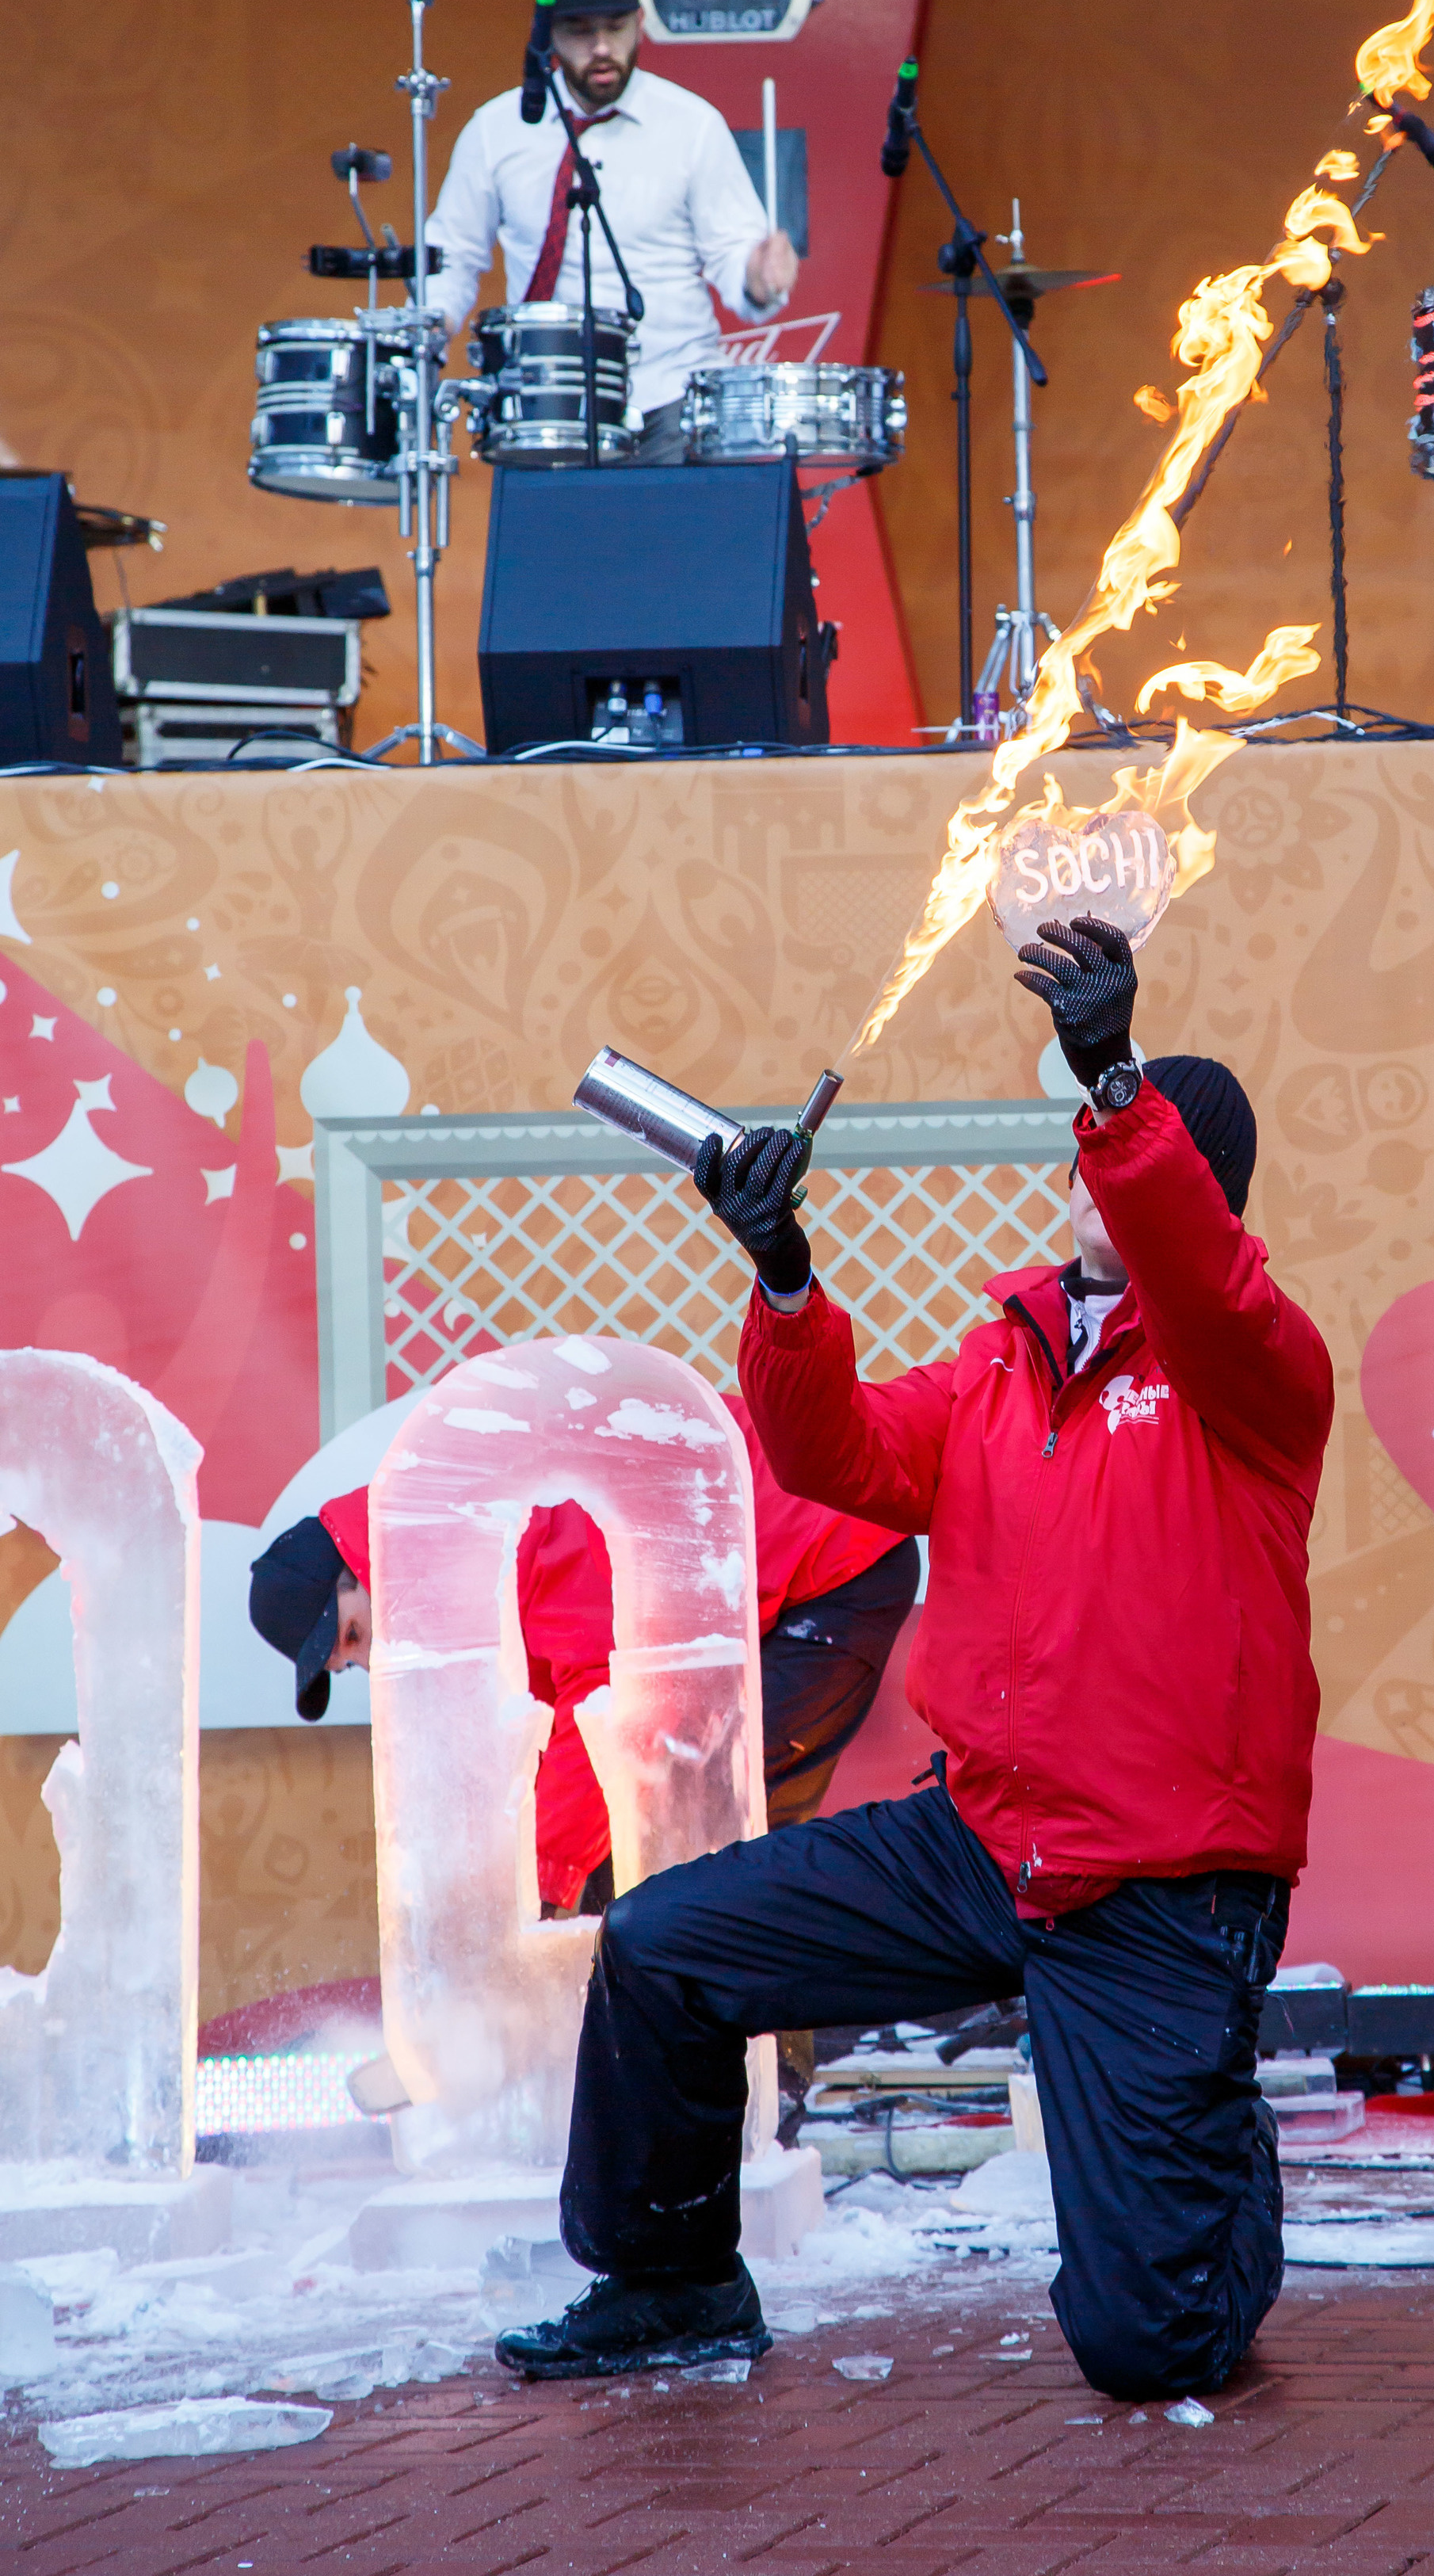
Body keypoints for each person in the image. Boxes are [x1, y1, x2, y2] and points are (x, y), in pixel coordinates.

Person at [495, 917, 1334, 2400]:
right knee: (660, 1949)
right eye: (1084, 1145)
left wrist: (1122, 1082)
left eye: (1125, 1151)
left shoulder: (1253, 1369)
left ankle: (1213, 2147)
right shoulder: (1001, 1361)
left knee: (1151, 2346)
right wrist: (784, 1274)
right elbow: (838, 1456)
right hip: (978, 1842)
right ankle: (673, 2281)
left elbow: (1198, 1278)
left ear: (1199, 1191)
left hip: (1162, 1885)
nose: (1093, 1172)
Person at [247, 1402, 917, 1914]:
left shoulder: (484, 1535)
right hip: (774, 1572)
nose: (378, 1662)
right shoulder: (446, 1532)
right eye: (353, 1665)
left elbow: (608, 1696)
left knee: (716, 1820)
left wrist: (538, 1890)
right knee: (668, 1833)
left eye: (359, 1637)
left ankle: (763, 2070)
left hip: (833, 1554)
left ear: (359, 1572)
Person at [427, 0, 800, 461]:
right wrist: (434, 320)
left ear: (640, 22)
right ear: (547, 36)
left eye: (616, 27)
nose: (601, 47)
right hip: (543, 405)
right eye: (580, 32)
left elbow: (734, 253)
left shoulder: (691, 125)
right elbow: (452, 253)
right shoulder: (496, 130)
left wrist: (757, 279)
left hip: (670, 398)